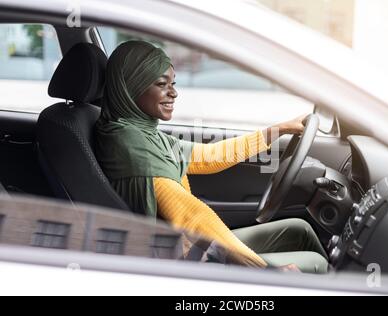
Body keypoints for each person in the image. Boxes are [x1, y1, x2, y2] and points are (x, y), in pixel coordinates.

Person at [95, 41, 328, 273]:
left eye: (173, 83)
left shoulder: (141, 132)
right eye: (161, 84)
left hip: (187, 246)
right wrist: (264, 271)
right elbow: (191, 217)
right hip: (179, 262)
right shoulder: (130, 144)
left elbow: (210, 156)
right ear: (132, 87)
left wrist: (279, 130)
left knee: (299, 229)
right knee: (315, 264)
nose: (174, 93)